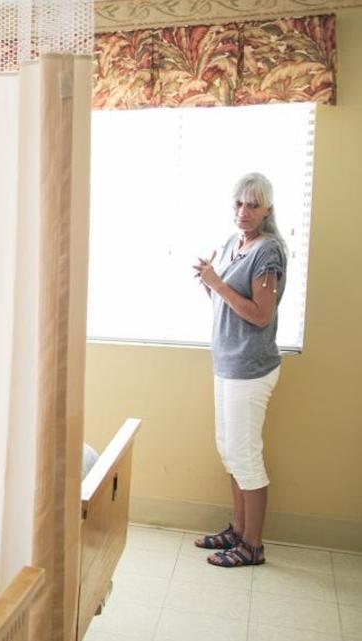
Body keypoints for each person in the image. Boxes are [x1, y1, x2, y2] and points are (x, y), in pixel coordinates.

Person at [191, 172, 287, 568]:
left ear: (267, 209)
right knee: (229, 451)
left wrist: (219, 283)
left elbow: (261, 316)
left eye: (252, 205)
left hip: (251, 368)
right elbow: (226, 299)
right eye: (238, 203)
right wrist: (208, 282)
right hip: (228, 363)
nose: (243, 212)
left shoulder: (269, 253)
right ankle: (236, 529)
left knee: (246, 456)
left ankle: (253, 545)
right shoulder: (234, 243)